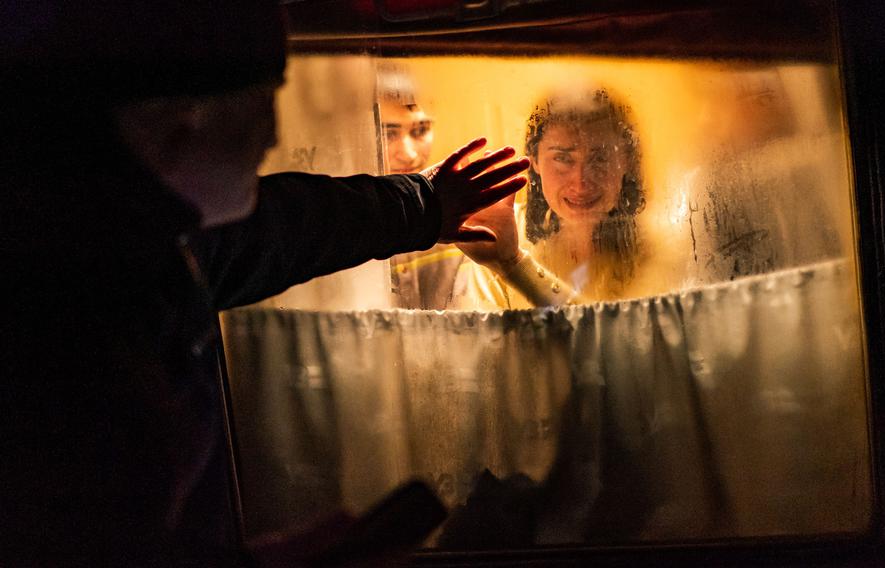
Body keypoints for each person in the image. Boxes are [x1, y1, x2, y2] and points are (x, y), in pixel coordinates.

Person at [0, 2, 529, 565]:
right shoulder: (63, 301)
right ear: (178, 122)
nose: (273, 136)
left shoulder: (132, 251)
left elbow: (275, 232)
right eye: (260, 102)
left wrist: (423, 206)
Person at [453, 86, 649, 309]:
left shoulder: (654, 244)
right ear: (534, 159)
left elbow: (623, 337)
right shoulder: (501, 230)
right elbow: (485, 339)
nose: (580, 181)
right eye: (563, 158)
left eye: (601, 158)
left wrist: (512, 264)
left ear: (628, 161)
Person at [377, 63, 470, 310]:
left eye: (420, 130)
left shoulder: (459, 217)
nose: (408, 155)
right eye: (388, 133)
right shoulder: (344, 220)